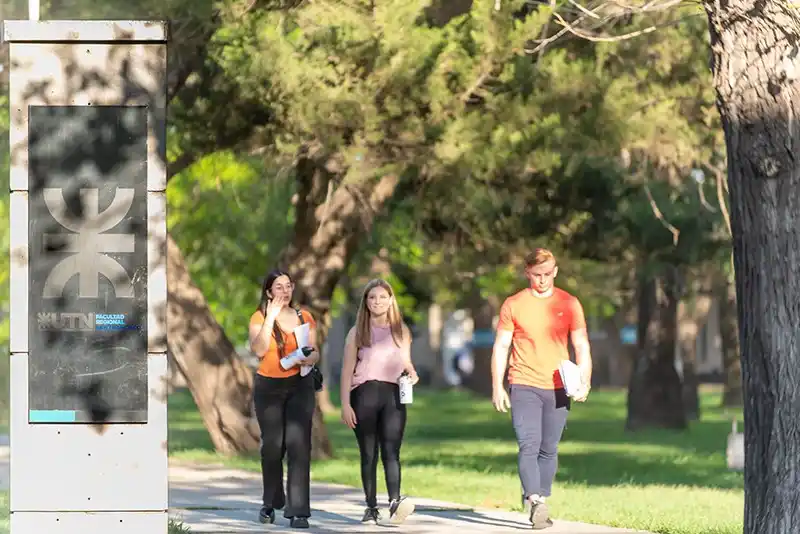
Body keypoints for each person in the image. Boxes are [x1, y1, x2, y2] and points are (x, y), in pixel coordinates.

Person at [490, 248, 592, 530]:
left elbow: (581, 345)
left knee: (549, 448)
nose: (543, 280)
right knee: (528, 443)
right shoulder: (514, 304)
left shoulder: (570, 303)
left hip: (559, 385)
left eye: (548, 274)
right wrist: (497, 386)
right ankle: (534, 499)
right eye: (537, 275)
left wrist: (585, 381)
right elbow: (501, 346)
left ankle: (542, 499)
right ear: (527, 273)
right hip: (523, 383)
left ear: (555, 271)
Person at [339, 278, 420, 525]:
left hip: (393, 395)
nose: (377, 301)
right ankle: (371, 506)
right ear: (366, 302)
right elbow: (346, 370)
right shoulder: (357, 332)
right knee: (368, 453)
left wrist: (413, 374)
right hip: (364, 394)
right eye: (372, 297)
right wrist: (345, 404)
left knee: (391, 450)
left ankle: (395, 502)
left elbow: (406, 361)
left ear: (391, 300)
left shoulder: (401, 330)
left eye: (382, 297)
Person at [248, 269, 320, 529]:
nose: (285, 291)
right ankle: (271, 501)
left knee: (299, 445)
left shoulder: (305, 316)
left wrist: (308, 357)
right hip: (268, 387)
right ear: (269, 292)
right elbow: (257, 350)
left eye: (288, 286)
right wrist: (271, 318)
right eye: (278, 287)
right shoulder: (259, 317)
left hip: (300, 384)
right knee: (272, 447)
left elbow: (314, 352)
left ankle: (299, 511)